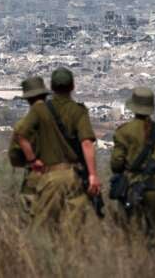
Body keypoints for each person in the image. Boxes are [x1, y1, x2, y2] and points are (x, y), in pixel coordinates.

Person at [14, 67, 101, 235]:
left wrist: (32, 161)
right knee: (73, 231)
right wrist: (92, 175)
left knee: (44, 229)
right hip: (74, 176)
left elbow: (20, 135)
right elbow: (86, 143)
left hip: (49, 176)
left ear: (51, 88)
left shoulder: (40, 110)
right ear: (72, 86)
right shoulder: (79, 111)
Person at [110, 87, 155, 244]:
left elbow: (116, 164)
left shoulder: (123, 132)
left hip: (131, 188)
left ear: (133, 107)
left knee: (130, 234)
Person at [9, 76, 49, 227]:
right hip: (63, 177)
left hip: (34, 178)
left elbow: (14, 157)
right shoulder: (60, 122)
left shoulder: (22, 125)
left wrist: (30, 161)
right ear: (45, 96)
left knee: (30, 223)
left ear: (28, 99)